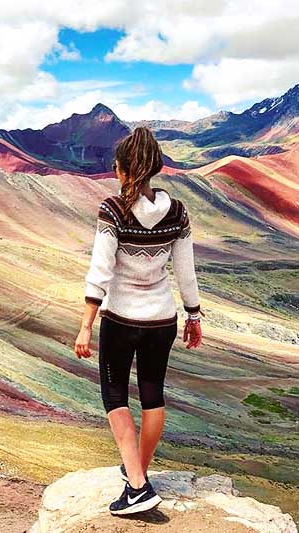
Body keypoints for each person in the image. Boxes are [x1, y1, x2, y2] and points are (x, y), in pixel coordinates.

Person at [74, 127, 202, 516]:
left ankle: (137, 487)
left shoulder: (113, 210)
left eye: (117, 165)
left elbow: (100, 269)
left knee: (114, 396)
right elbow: (186, 272)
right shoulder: (177, 212)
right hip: (162, 319)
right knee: (153, 395)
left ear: (125, 169)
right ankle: (138, 474)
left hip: (121, 318)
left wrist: (85, 324)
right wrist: (193, 316)